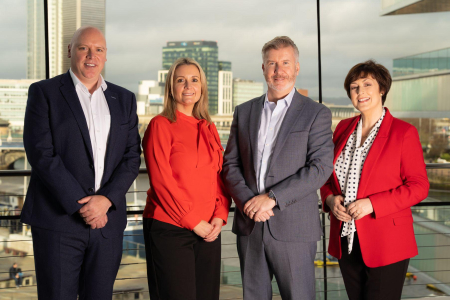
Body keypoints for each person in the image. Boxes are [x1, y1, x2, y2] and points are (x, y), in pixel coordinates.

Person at [21, 26, 141, 299]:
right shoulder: (44, 93)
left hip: (107, 223)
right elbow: (41, 154)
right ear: (70, 51)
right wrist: (84, 205)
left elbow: (132, 156)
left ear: (106, 56)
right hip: (58, 222)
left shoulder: (124, 99)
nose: (91, 55)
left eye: (98, 49)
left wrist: (106, 201)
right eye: (83, 48)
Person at [222, 36, 334, 300]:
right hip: (250, 224)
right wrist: (249, 202)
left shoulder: (316, 113)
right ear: (263, 68)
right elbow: (230, 164)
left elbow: (320, 167)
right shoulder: (244, 111)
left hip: (293, 227)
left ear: (296, 67)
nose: (278, 70)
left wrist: (271, 199)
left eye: (285, 63)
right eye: (272, 63)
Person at [320, 60, 429, 300]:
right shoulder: (342, 128)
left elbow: (419, 186)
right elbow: (326, 176)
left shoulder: (404, 132)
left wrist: (372, 204)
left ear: (382, 89)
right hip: (346, 237)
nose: (360, 92)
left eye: (367, 84)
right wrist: (329, 199)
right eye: (354, 87)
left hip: (387, 242)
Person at [142, 57, 231, 300]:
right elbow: (161, 182)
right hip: (171, 229)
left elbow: (219, 179)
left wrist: (220, 217)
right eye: (181, 80)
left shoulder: (208, 127)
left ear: (202, 87)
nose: (188, 86)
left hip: (209, 230)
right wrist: (193, 221)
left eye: (194, 80)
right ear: (171, 87)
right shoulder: (160, 125)